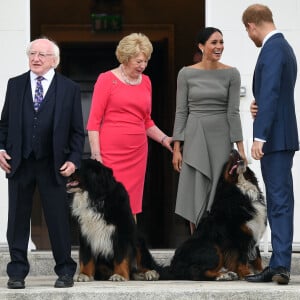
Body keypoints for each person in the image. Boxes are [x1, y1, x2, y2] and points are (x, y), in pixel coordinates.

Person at [0, 38, 85, 289]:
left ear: (54, 61)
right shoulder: (15, 85)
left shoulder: (69, 88)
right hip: (20, 162)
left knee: (57, 218)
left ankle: (65, 271)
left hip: (54, 163)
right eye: (32, 53)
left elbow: (76, 131)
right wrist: (1, 148)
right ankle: (16, 273)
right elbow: (3, 124)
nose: (36, 58)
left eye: (42, 55)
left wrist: (73, 159)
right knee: (17, 219)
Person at [86, 32, 172, 222]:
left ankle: (128, 248)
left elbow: (146, 121)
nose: (143, 66)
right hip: (110, 153)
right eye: (138, 61)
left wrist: (166, 139)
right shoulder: (106, 79)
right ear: (125, 58)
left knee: (131, 203)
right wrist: (96, 154)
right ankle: (107, 249)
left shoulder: (147, 82)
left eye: (146, 61)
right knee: (108, 201)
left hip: (137, 154)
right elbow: (94, 121)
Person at [242, 4, 299, 285]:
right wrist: (259, 107)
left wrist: (260, 135)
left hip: (275, 138)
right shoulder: (283, 47)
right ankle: (279, 264)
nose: (249, 36)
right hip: (281, 135)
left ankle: (280, 265)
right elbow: (272, 93)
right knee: (280, 200)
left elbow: (274, 90)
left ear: (252, 25)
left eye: (247, 31)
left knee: (278, 202)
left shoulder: (274, 47)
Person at [172, 27, 246, 234]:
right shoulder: (186, 73)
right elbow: (181, 111)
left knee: (219, 194)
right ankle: (198, 249)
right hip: (195, 137)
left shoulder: (232, 73)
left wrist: (240, 149)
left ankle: (219, 250)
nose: (219, 47)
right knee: (195, 192)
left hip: (221, 139)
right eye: (214, 42)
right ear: (201, 46)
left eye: (221, 42)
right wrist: (177, 148)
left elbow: (233, 112)